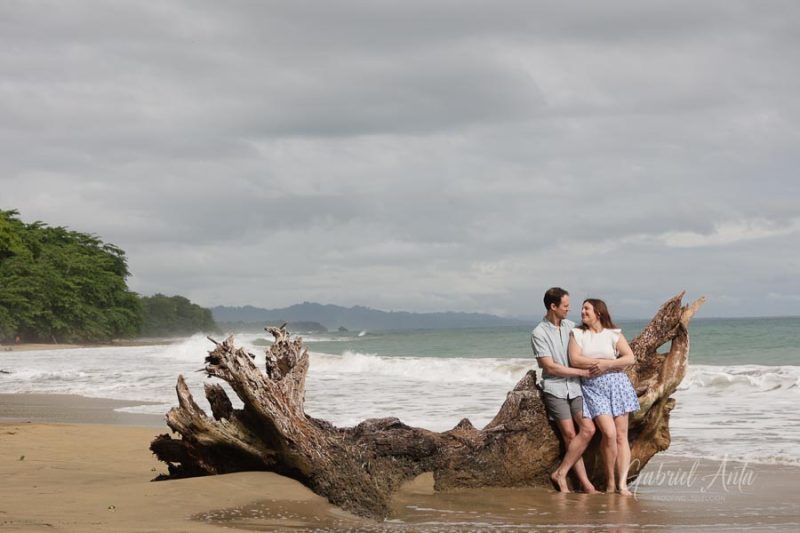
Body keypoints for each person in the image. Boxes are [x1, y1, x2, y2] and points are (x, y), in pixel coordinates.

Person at [551, 298, 639, 495]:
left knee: (621, 434)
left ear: (598, 312)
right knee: (608, 433)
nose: (582, 312)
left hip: (617, 384)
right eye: (582, 309)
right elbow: (575, 359)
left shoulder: (613, 334)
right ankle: (609, 482)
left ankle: (622, 484)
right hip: (593, 387)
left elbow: (629, 357)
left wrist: (606, 364)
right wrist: (602, 361)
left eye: (587, 309)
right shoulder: (578, 333)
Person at [531, 288, 597, 493]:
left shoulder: (572, 327)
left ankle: (561, 472)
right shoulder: (538, 333)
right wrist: (581, 372)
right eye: (565, 306)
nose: (569, 309)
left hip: (575, 388)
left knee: (588, 429)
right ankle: (585, 484)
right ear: (553, 307)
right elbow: (549, 367)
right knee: (569, 433)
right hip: (555, 388)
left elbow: (596, 334)